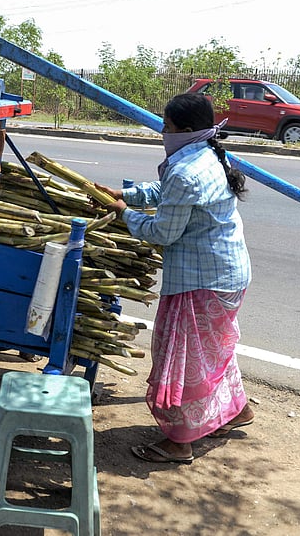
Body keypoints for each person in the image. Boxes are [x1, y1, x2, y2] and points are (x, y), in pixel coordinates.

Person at [95, 92, 255, 464]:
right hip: (228, 274)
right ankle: (238, 410)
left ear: (184, 129)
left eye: (166, 127)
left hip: (203, 280)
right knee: (212, 351)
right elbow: (166, 194)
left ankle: (179, 441)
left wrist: (122, 214)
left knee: (183, 356)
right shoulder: (207, 154)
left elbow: (162, 232)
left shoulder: (185, 170)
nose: (163, 133)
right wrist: (125, 194)